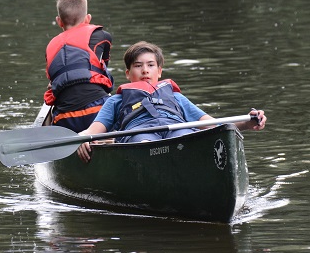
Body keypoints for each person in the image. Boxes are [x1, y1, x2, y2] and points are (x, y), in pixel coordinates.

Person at [77, 41, 267, 163]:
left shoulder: (176, 98)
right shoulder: (116, 101)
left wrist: (247, 123)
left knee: (186, 139)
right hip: (140, 135)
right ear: (128, 74)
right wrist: (83, 138)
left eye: (151, 65)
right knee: (145, 144)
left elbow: (214, 126)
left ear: (159, 71)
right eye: (138, 66)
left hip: (177, 131)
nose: (145, 70)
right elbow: (92, 131)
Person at [44, 0, 115, 132]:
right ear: (88, 19)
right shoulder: (103, 36)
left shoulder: (50, 46)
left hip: (65, 118)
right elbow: (103, 71)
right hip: (98, 112)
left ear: (59, 21)